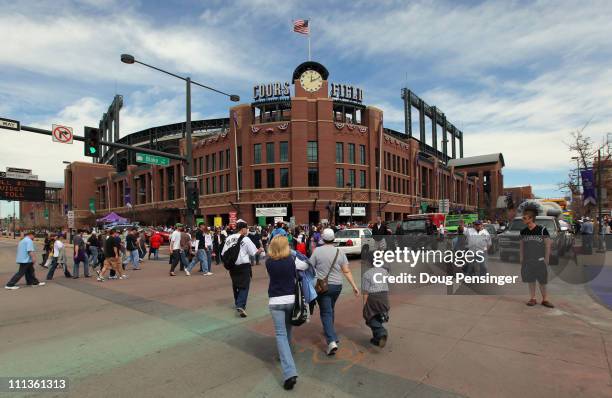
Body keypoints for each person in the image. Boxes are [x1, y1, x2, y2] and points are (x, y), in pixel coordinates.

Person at [265, 236, 309, 390]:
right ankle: (288, 363)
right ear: (286, 247)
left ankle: (288, 369)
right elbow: (305, 265)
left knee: (281, 334)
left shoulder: (268, 262)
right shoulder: (292, 261)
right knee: (288, 331)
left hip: (275, 301)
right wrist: (294, 253)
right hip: (291, 299)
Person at [309, 228, 360, 355]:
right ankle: (331, 333)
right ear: (333, 239)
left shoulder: (317, 251)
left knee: (326, 312)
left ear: (323, 238)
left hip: (323, 287)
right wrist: (354, 286)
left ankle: (331, 341)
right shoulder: (339, 252)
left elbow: (309, 267)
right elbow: (346, 271)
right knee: (330, 309)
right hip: (337, 286)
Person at [221, 219, 263, 317]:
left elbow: (223, 253)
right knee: (244, 285)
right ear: (243, 229)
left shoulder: (229, 238)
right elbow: (253, 252)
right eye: (247, 228)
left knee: (235, 284)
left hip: (232, 266)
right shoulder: (245, 239)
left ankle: (237, 302)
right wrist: (260, 250)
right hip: (243, 266)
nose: (247, 230)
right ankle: (240, 305)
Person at [520, 208, 554, 308]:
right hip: (528, 260)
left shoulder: (542, 230)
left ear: (531, 219)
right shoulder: (523, 231)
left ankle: (545, 299)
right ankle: (533, 298)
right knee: (531, 280)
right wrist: (521, 257)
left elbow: (548, 245)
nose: (523, 219)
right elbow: (522, 245)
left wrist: (547, 258)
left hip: (540, 259)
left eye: (524, 218)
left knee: (542, 281)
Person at [362, 262, 390, 347]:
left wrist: (364, 305)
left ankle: (381, 332)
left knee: (369, 316)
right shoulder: (385, 272)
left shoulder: (367, 274)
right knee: (378, 316)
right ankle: (376, 339)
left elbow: (365, 292)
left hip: (373, 297)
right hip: (384, 297)